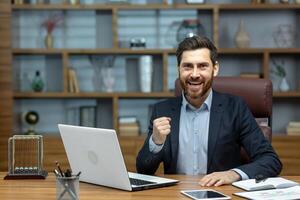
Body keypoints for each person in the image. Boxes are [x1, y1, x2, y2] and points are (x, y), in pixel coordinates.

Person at [136, 36, 282, 186]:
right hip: (175, 195)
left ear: (215, 68)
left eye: (202, 66)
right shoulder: (162, 110)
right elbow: (143, 170)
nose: (194, 74)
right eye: (187, 66)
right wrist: (156, 142)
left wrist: (233, 174)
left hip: (220, 194)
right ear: (178, 69)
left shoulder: (235, 108)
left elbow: (270, 160)